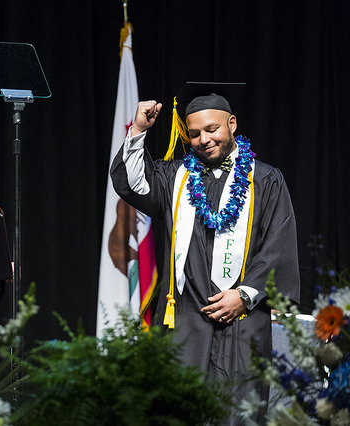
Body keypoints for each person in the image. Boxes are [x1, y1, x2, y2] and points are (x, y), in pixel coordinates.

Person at [110, 82, 300, 423]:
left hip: (242, 322)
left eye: (212, 129)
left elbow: (278, 246)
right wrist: (138, 130)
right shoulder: (175, 176)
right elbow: (132, 182)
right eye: (195, 133)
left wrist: (244, 294)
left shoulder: (266, 179)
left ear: (232, 123)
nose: (204, 139)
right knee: (182, 412)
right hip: (186, 319)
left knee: (238, 414)